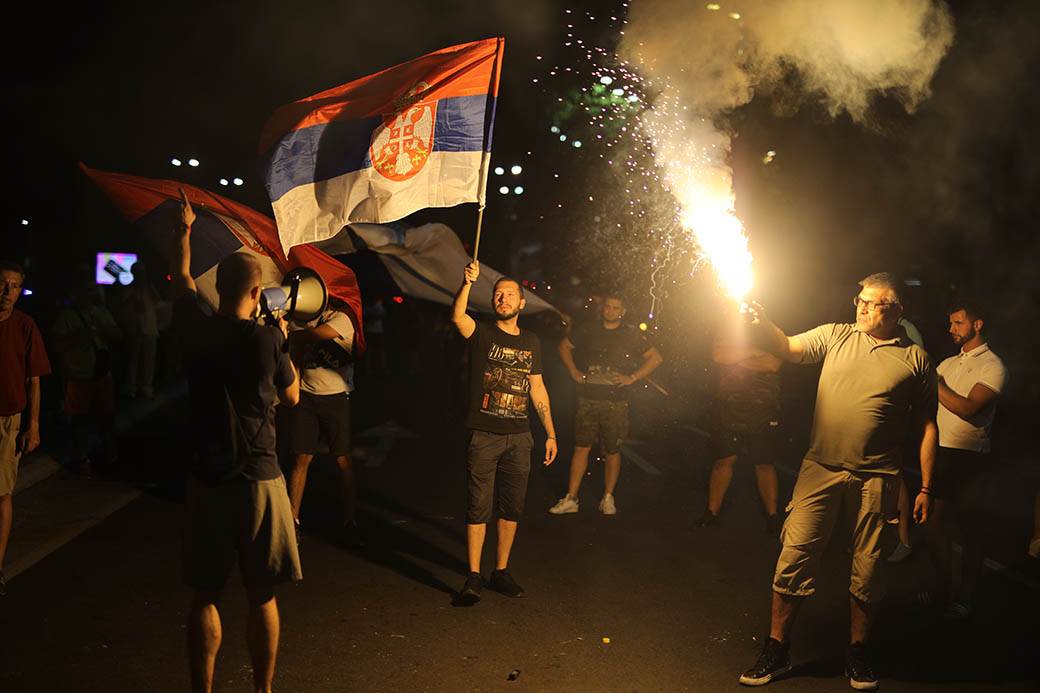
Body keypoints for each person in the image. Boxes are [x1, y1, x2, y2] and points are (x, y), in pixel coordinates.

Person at [739, 273, 936, 691]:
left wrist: (925, 488)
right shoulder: (836, 335)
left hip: (877, 478)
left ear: (897, 311)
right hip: (821, 469)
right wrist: (760, 322)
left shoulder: (915, 359)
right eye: (860, 301)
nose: (862, 308)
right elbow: (789, 348)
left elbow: (927, 426)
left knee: (868, 569)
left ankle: (858, 652)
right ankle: (776, 648)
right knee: (794, 556)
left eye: (874, 303)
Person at [170, 190, 301, 693]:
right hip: (259, 480)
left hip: (207, 478)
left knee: (205, 595)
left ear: (218, 289)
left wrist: (184, 231)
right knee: (261, 594)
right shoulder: (266, 340)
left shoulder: (194, 327)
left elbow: (182, 278)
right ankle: (262, 689)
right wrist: (283, 336)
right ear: (254, 294)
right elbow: (290, 396)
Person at [451, 260, 557, 605]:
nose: (503, 299)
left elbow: (537, 389)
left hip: (520, 436)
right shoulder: (481, 332)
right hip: (484, 433)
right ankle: (473, 577)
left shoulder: (531, 341)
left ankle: (500, 571)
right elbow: (457, 318)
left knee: (511, 508)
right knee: (477, 507)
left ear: (521, 303)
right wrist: (467, 284)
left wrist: (551, 433)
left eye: (510, 294)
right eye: (498, 294)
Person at [925, 299, 1007, 618]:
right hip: (939, 453)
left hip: (970, 458)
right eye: (950, 324)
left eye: (958, 323)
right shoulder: (946, 363)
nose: (951, 329)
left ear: (977, 324)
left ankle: (967, 596)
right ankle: (944, 589)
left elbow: (969, 408)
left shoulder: (993, 366)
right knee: (932, 527)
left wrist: (935, 384)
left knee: (970, 530)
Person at [549, 293, 662, 515]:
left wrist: (632, 377)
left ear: (623, 311)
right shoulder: (588, 329)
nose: (610, 311)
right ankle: (571, 498)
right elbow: (564, 346)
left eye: (615, 308)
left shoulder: (631, 334)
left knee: (612, 449)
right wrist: (574, 371)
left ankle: (608, 498)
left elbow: (656, 357)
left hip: (616, 401)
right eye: (607, 307)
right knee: (581, 447)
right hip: (588, 398)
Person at [694, 308, 782, 533]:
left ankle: (773, 518)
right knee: (724, 459)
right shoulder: (726, 328)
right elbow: (719, 356)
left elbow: (773, 364)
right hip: (730, 404)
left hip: (763, 406)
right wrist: (754, 352)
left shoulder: (769, 331)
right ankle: (711, 513)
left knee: (764, 462)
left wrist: (737, 357)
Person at [285, 301, 361, 547]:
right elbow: (296, 354)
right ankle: (292, 520)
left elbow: (313, 336)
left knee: (342, 460)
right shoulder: (304, 318)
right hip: (307, 396)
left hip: (336, 397)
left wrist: (289, 330)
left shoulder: (344, 318)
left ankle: (350, 521)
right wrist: (294, 386)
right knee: (301, 458)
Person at [0, 260, 51, 596]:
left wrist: (32, 425)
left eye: (15, 286)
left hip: (7, 420)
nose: (7, 293)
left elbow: (34, 380)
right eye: (4, 284)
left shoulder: (25, 325)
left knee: (2, 492)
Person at [50, 271, 122, 475]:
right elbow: (57, 346)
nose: (90, 294)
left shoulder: (101, 313)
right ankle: (82, 459)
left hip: (102, 374)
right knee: (80, 420)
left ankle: (111, 456)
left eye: (92, 290)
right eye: (86, 291)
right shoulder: (67, 316)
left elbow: (118, 336)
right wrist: (80, 336)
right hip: (79, 377)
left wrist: (104, 331)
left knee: (107, 418)